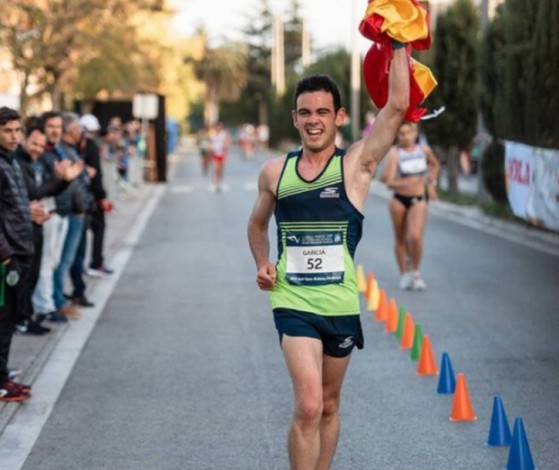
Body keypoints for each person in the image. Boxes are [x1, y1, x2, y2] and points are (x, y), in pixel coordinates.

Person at [247, 42, 409, 470]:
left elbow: (396, 107)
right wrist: (263, 263)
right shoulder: (274, 173)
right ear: (294, 118)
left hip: (339, 303)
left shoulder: (354, 168)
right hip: (292, 300)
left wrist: (399, 43)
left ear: (339, 117)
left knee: (331, 405)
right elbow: (256, 225)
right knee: (308, 404)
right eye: (305, 112)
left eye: (322, 112)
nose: (313, 120)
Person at [14, 118, 82, 334]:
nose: (37, 149)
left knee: (44, 267)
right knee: (32, 272)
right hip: (25, 225)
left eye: (40, 146)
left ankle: (30, 315)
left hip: (46, 217)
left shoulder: (39, 159)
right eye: (34, 143)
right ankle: (33, 313)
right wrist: (62, 181)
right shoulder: (19, 162)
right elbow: (34, 194)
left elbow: (40, 192)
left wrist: (64, 181)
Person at [0, 107, 34, 401]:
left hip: (20, 249)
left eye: (17, 130)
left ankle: (3, 374)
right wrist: (5, 253)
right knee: (4, 317)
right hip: (7, 256)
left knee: (11, 317)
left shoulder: (11, 162)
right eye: (7, 131)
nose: (14, 136)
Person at [383, 122, 440, 291]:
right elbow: (389, 181)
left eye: (408, 133)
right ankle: (404, 275)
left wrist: (431, 183)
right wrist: (408, 183)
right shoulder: (395, 154)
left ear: (415, 132)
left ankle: (415, 272)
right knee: (400, 238)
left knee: (415, 236)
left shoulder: (423, 150)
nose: (405, 137)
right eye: (401, 133)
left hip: (419, 198)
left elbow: (435, 165)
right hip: (399, 199)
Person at [76, 114, 113, 282]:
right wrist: (102, 196)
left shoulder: (77, 146)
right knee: (96, 229)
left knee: (83, 235)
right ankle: (95, 263)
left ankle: (91, 264)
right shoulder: (89, 146)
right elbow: (96, 174)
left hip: (83, 196)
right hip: (88, 198)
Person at [209, 122, 231, 192]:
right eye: (217, 127)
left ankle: (219, 182)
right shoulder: (212, 135)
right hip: (215, 154)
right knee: (216, 169)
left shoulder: (224, 134)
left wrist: (226, 145)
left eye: (220, 127)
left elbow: (228, 143)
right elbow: (210, 143)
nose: (218, 128)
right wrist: (210, 149)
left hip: (222, 154)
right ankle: (215, 181)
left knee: (221, 170)